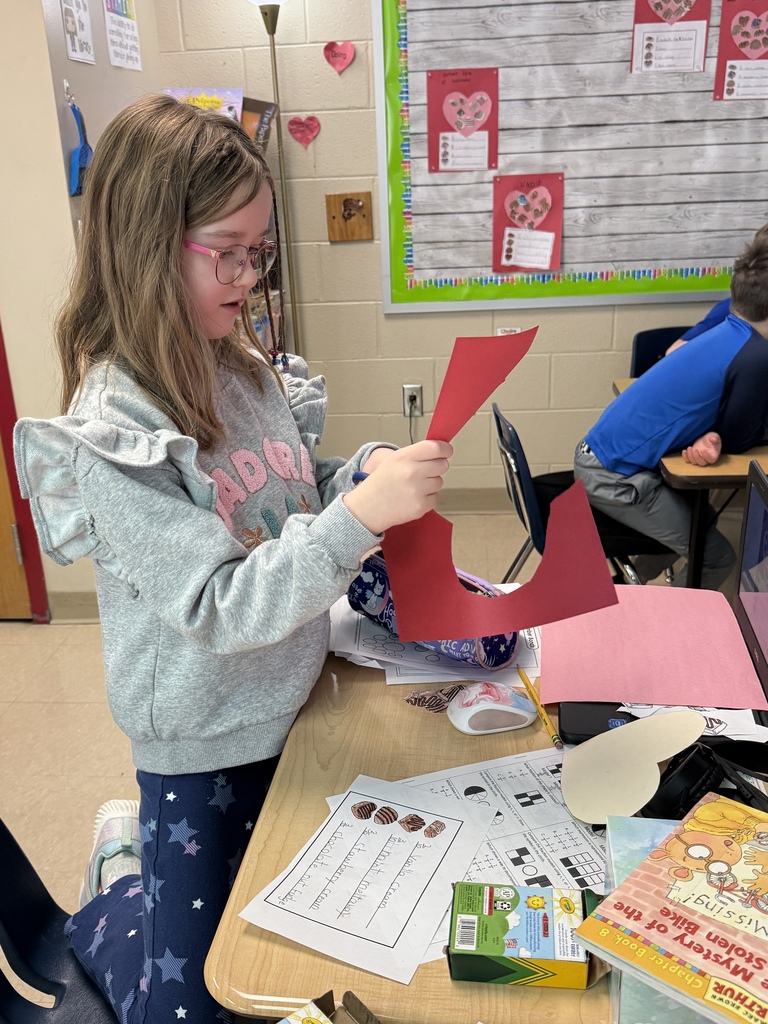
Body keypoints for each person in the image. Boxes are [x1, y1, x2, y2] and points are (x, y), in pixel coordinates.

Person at [13, 94, 452, 1021]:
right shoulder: (114, 432)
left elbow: (289, 491)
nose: (250, 274)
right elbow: (218, 605)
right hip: (203, 749)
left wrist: (356, 477)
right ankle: (121, 882)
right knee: (199, 1001)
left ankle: (144, 890)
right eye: (230, 250)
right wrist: (358, 519)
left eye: (261, 251)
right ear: (146, 243)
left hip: (292, 706)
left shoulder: (242, 364)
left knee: (289, 946)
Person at [574, 230, 768, 590]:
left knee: (701, 524)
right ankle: (665, 629)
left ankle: (629, 596)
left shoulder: (728, 326)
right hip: (613, 476)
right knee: (717, 556)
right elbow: (742, 437)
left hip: (600, 458)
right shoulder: (755, 355)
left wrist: (713, 434)